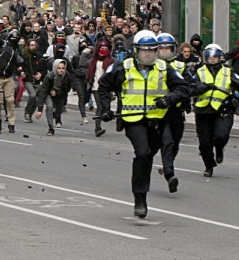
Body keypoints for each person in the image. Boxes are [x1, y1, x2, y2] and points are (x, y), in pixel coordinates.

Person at [98, 30, 190, 218]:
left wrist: (169, 99)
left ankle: (145, 187)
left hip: (158, 121)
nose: (148, 54)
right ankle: (140, 197)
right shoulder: (123, 67)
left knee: (149, 155)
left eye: (152, 50)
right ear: (136, 51)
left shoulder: (165, 68)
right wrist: (106, 108)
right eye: (143, 50)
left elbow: (183, 88)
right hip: (133, 120)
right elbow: (104, 85)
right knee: (143, 152)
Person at [193, 43, 239, 177]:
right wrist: (202, 87)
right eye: (210, 57)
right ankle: (209, 166)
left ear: (220, 58)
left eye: (215, 57)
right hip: (203, 111)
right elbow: (191, 86)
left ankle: (219, 148)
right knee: (204, 143)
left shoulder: (228, 71)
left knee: (221, 136)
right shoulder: (200, 71)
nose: (212, 59)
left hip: (223, 110)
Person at [155, 33, 194, 191]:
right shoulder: (152, 65)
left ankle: (167, 166)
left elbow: (190, 84)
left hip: (176, 110)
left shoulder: (179, 66)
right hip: (158, 111)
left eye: (168, 48)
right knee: (167, 142)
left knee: (175, 142)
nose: (164, 51)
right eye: (161, 47)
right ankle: (169, 174)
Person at [35, 59, 72, 136]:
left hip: (59, 95)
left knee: (59, 111)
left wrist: (57, 92)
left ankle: (53, 115)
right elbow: (43, 91)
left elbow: (67, 89)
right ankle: (51, 128)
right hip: (48, 93)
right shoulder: (49, 76)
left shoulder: (67, 76)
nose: (61, 70)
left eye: (63, 68)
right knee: (49, 106)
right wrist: (39, 109)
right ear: (55, 68)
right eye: (59, 68)